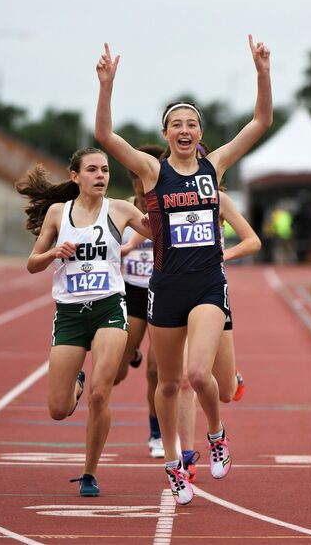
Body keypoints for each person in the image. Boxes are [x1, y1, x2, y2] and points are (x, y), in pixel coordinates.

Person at [94, 35, 272, 505]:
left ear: (200, 132)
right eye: (176, 123)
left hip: (208, 285)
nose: (185, 129)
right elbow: (106, 138)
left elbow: (260, 121)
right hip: (166, 287)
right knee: (167, 383)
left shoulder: (215, 166)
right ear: (167, 133)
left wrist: (262, 73)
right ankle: (174, 464)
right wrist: (107, 86)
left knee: (198, 375)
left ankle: (217, 433)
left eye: (192, 122)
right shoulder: (153, 173)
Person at [16, 147, 152, 498]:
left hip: (109, 307)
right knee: (58, 410)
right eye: (92, 170)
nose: (101, 176)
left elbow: (158, 233)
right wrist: (52, 253)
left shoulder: (120, 209)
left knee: (100, 393)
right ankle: (74, 380)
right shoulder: (59, 214)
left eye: (105, 170)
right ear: (75, 176)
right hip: (69, 315)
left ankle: (90, 472)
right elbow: (32, 263)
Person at [177, 151, 261, 483]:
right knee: (187, 378)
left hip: (211, 295)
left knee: (224, 390)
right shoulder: (165, 197)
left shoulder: (218, 199)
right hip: (176, 296)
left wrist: (222, 254)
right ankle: (186, 456)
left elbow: (253, 241)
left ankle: (233, 379)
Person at [111, 144, 164, 459]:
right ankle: (130, 354)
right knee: (115, 373)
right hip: (130, 292)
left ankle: (156, 434)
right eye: (138, 180)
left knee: (157, 371)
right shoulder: (121, 209)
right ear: (133, 182)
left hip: (161, 292)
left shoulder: (166, 206)